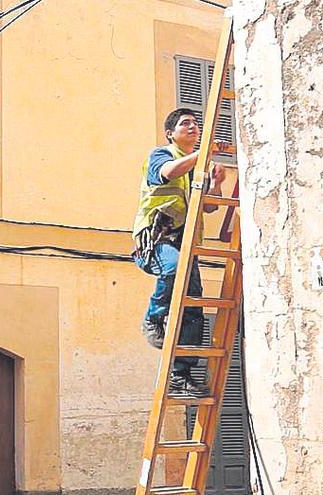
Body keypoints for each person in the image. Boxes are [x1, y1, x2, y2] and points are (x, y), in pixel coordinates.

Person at [132, 108, 230, 397]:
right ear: (170, 133)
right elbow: (167, 174)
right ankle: (153, 317)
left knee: (193, 311)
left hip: (185, 244)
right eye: (185, 123)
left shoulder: (196, 167)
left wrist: (218, 182)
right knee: (173, 270)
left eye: (195, 124)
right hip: (155, 238)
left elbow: (210, 206)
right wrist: (204, 155)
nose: (193, 127)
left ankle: (181, 375)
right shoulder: (161, 155)